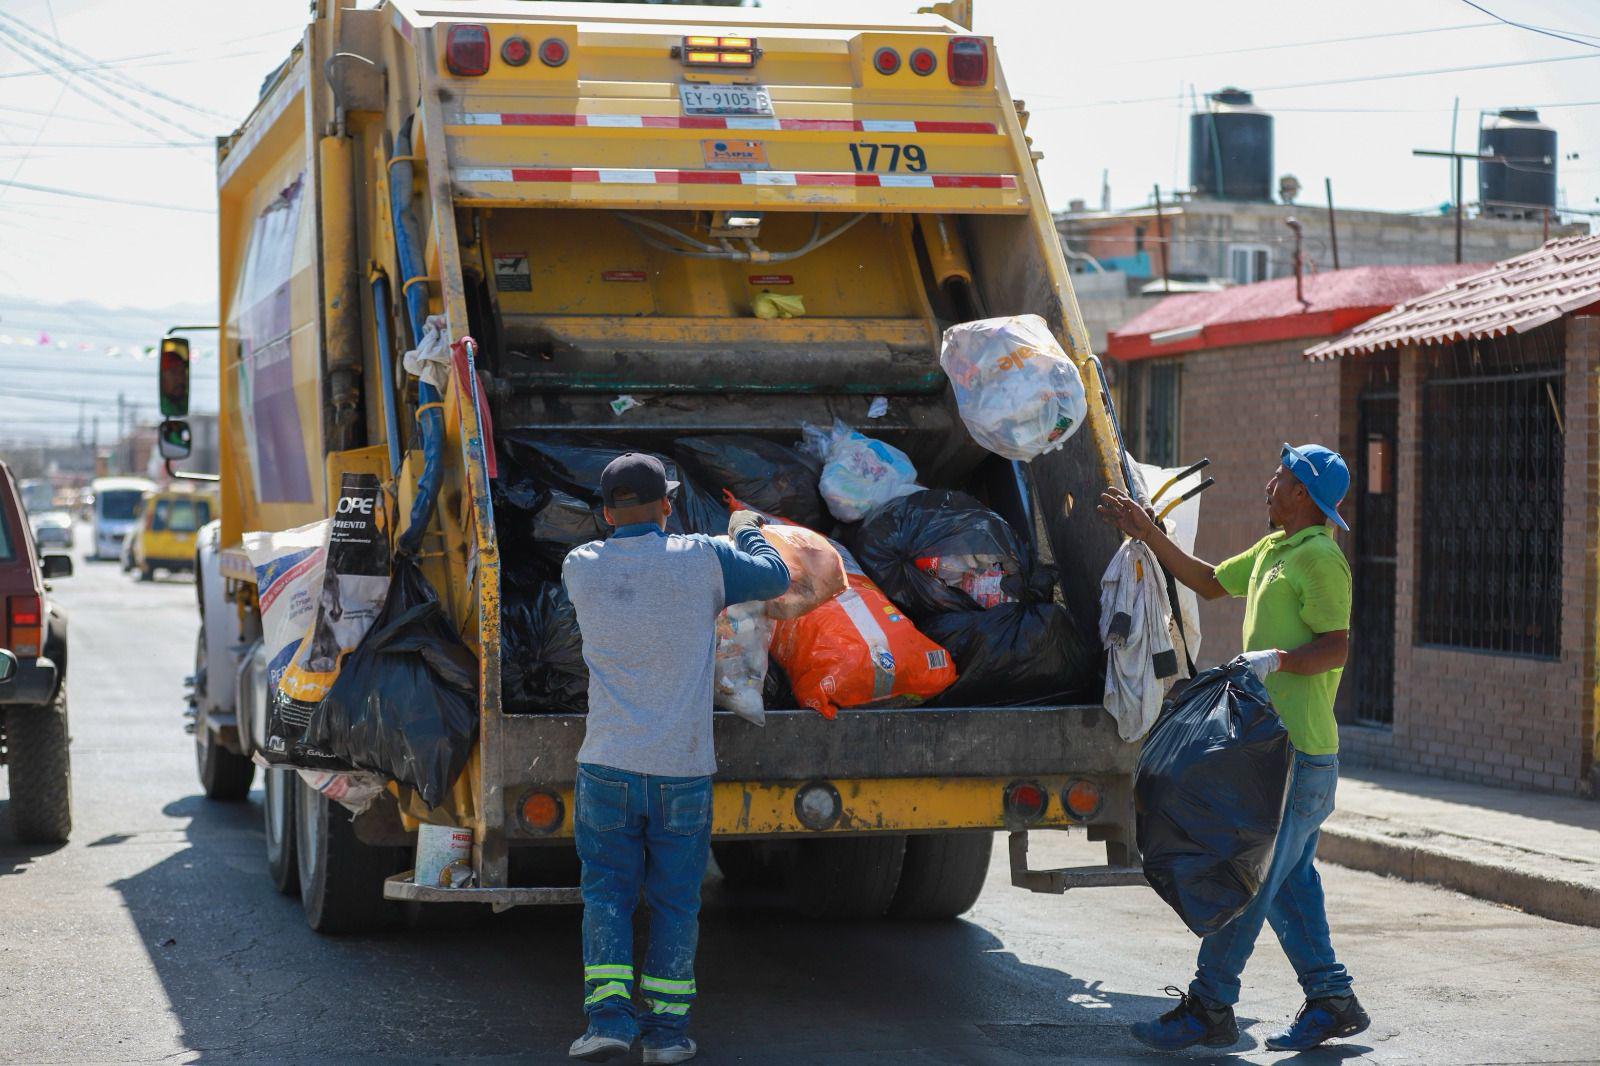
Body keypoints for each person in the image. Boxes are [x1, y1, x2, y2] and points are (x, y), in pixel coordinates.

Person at [1097, 443, 1369, 1053]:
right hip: (1268, 752)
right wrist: (1147, 532)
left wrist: (1280, 661)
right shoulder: (1276, 549)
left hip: (1298, 755)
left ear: (1304, 494)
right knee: (1287, 881)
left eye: (1282, 477)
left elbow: (1336, 645)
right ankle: (1331, 999)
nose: (1270, 483)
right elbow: (1210, 581)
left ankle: (1210, 1005)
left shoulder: (1320, 558)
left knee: (1248, 882)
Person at [561, 453, 790, 1065]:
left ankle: (608, 1022)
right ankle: (665, 1035)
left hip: (607, 765)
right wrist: (745, 530)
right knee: (675, 902)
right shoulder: (702, 560)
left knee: (607, 895)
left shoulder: (579, 567)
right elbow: (774, 578)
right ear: (668, 505)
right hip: (683, 771)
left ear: (606, 512)